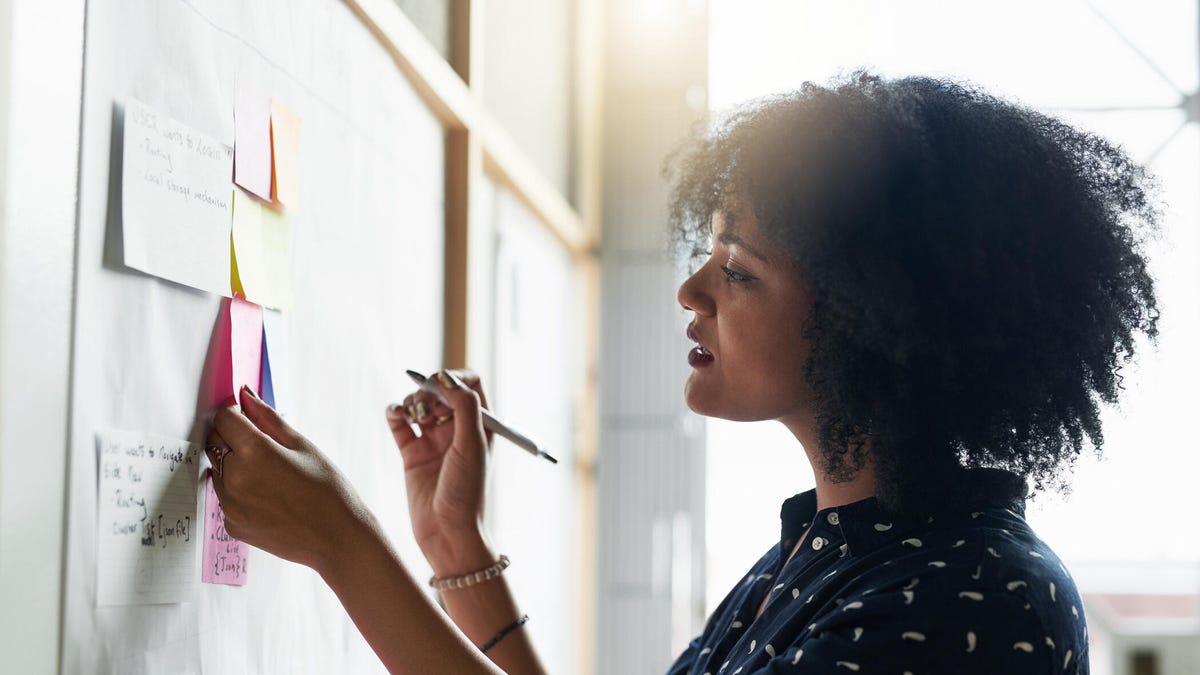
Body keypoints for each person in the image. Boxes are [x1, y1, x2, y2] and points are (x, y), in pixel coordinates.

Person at [205, 72, 1159, 674]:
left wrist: (345, 544)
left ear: (876, 321)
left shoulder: (978, 599)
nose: (691, 290)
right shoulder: (830, 549)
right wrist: (457, 547)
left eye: (738, 269)